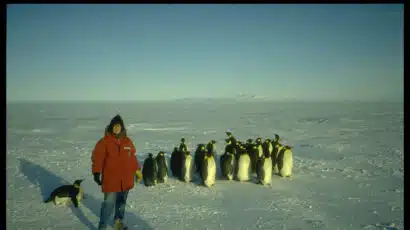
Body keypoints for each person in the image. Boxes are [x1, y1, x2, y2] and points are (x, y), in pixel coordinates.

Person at [91, 114, 143, 230]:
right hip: (111, 180)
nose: (116, 128)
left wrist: (137, 170)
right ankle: (102, 226)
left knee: (121, 204)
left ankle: (118, 223)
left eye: (119, 126)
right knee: (108, 205)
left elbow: (132, 158)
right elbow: (97, 157)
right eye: (114, 126)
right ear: (111, 127)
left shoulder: (127, 142)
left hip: (126, 180)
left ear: (122, 127)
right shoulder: (104, 142)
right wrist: (96, 172)